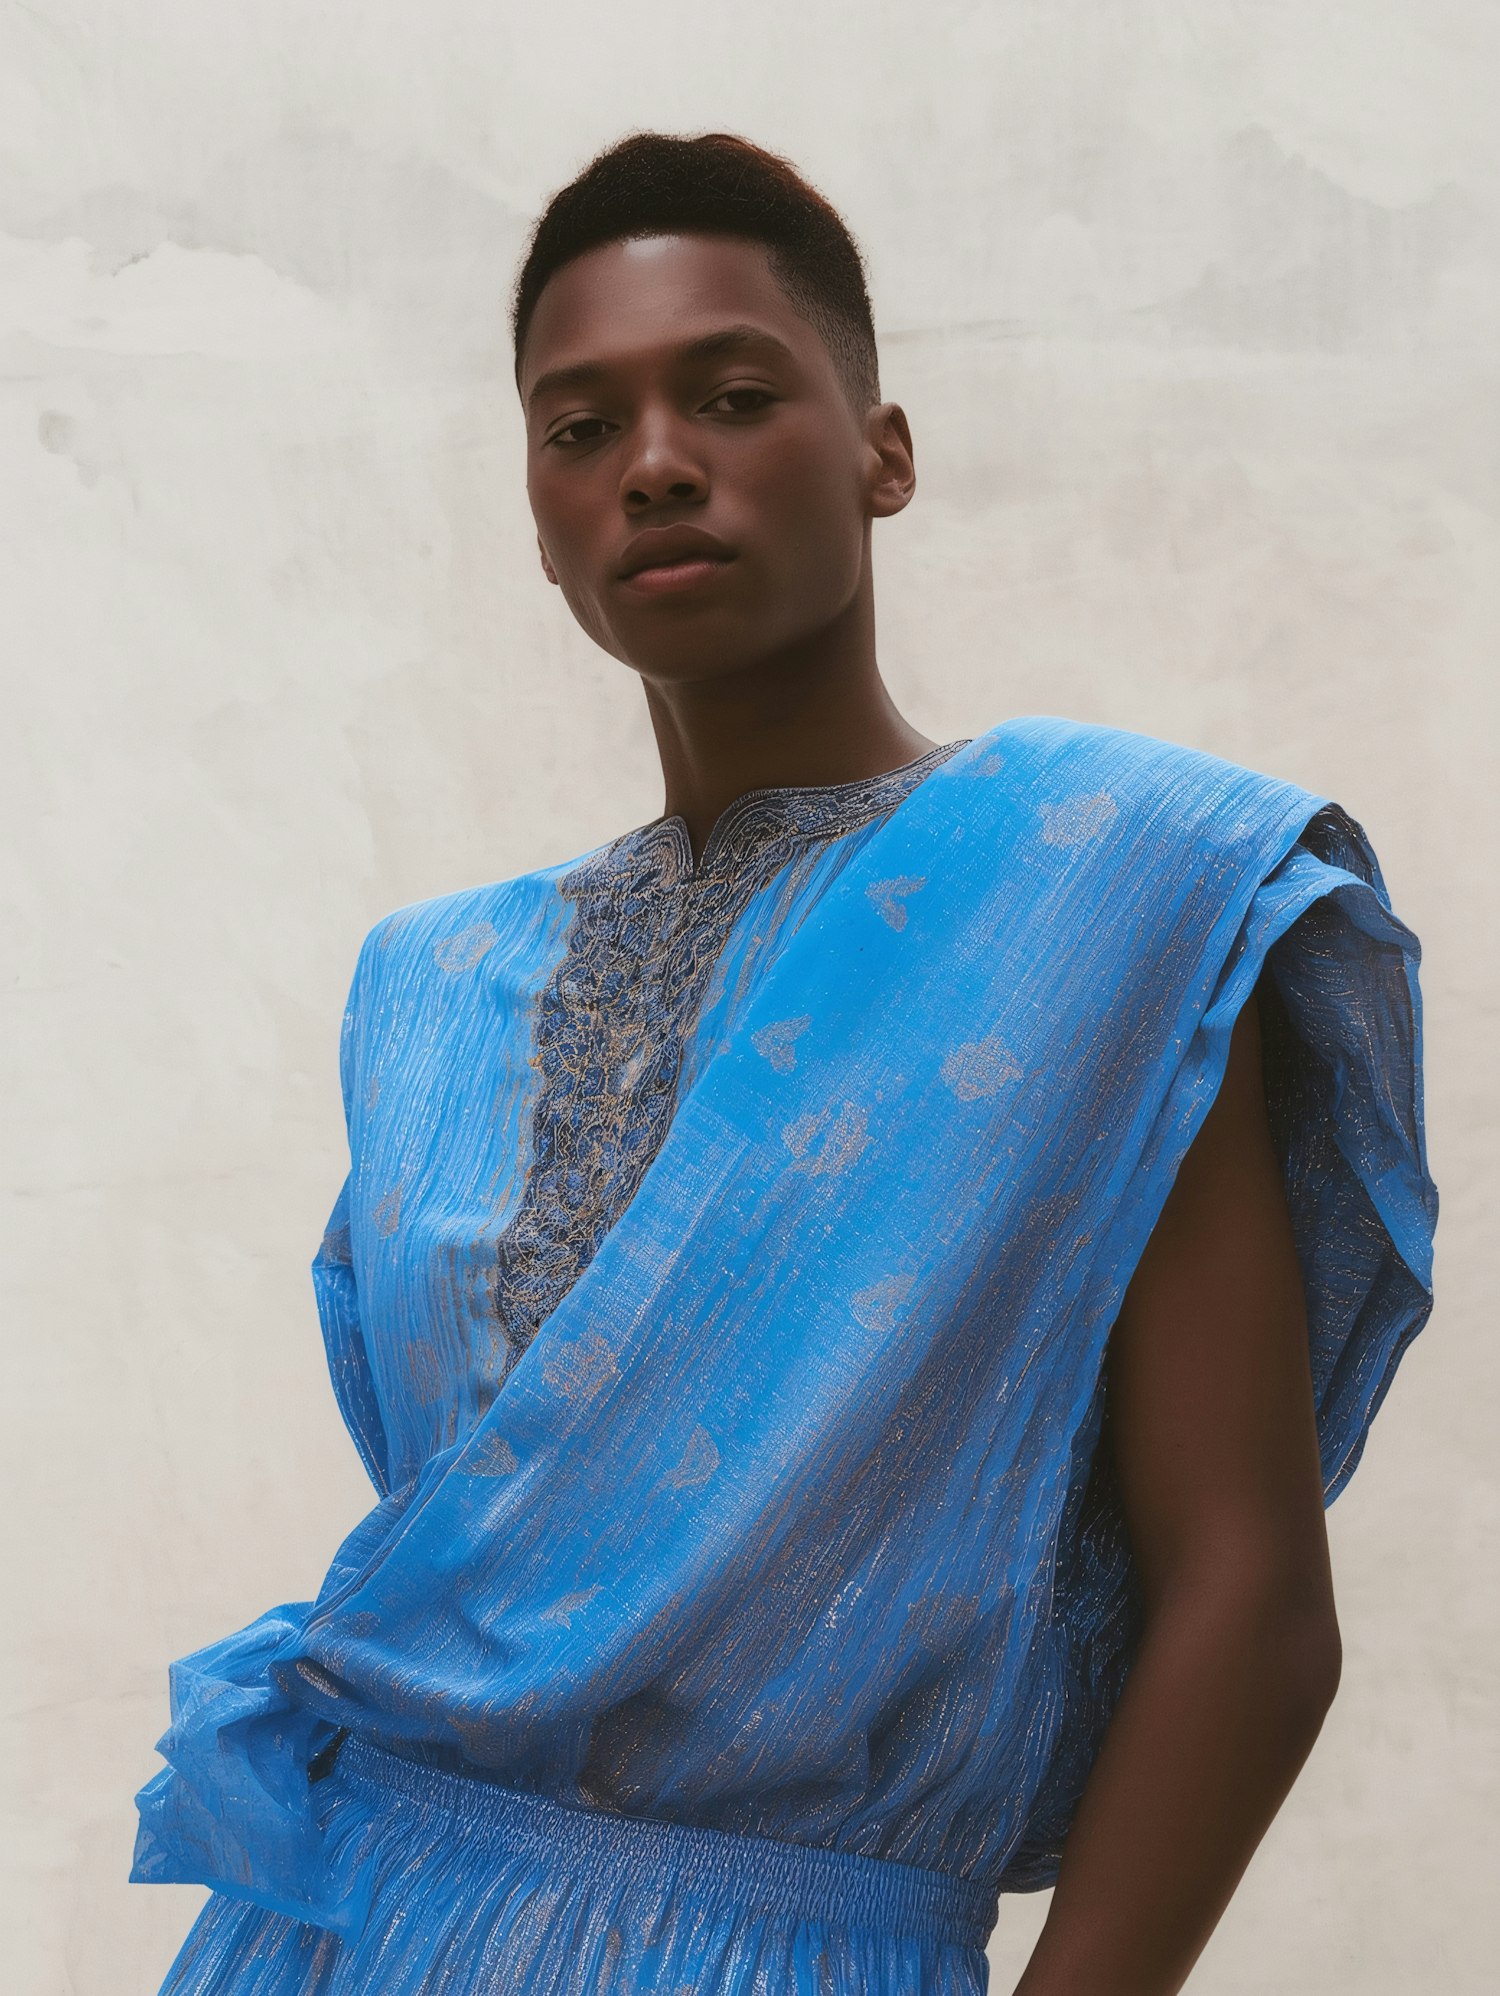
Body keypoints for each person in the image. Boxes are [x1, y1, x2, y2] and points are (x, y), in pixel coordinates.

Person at [131, 131, 1437, 1996]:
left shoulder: (1106, 902)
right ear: (537, 512)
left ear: (882, 451)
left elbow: (1250, 1597)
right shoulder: (432, 989)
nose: (657, 462)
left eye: (734, 397)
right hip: (338, 1929)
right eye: (580, 428)